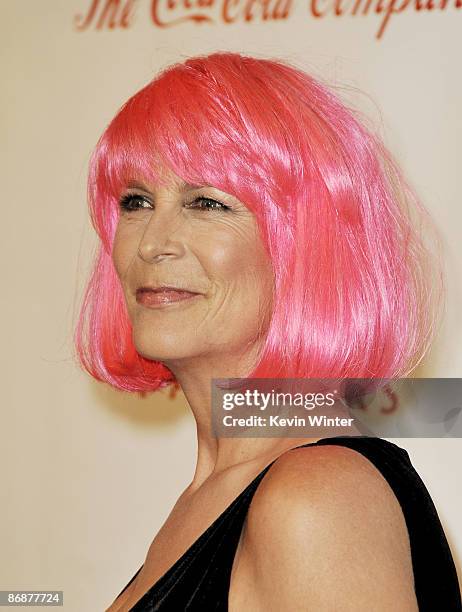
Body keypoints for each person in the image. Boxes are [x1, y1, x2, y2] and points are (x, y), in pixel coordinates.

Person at [74, 51, 462, 610]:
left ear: (305, 245)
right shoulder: (217, 493)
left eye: (207, 202)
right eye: (136, 201)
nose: (152, 243)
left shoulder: (317, 496)